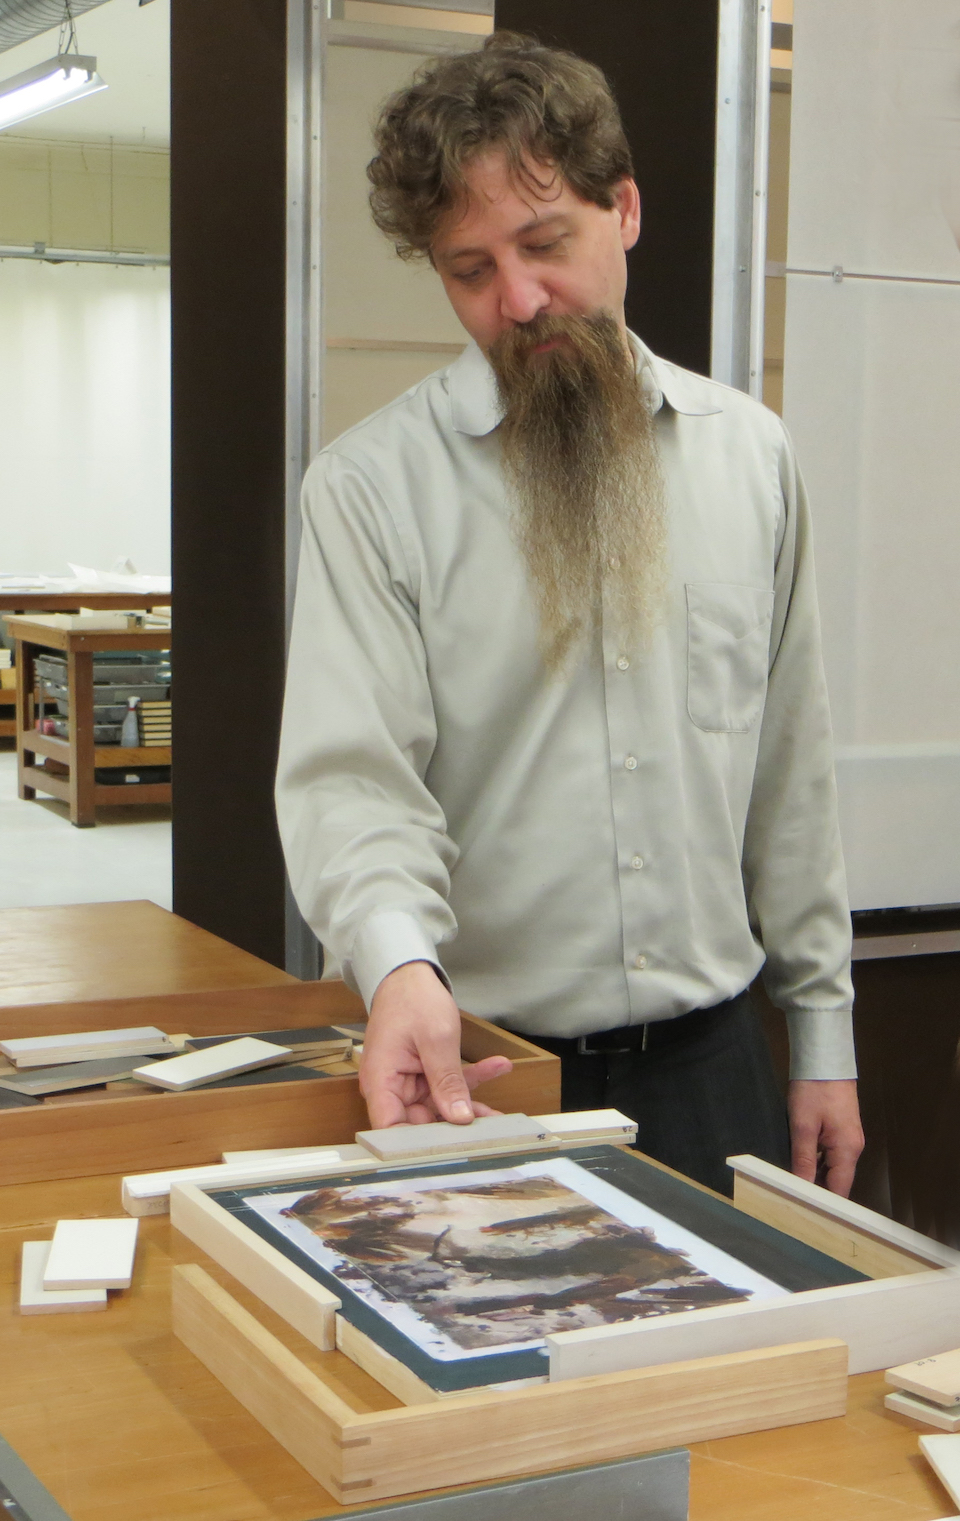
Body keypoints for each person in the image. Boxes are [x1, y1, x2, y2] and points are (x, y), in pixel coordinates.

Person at [276, 32, 864, 1197]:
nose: (521, 299)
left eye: (545, 244)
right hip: (487, 1075)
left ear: (626, 209)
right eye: (470, 269)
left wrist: (824, 1038)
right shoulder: (370, 490)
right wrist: (397, 969)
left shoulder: (750, 457)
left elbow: (790, 770)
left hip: (714, 1073)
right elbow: (355, 786)